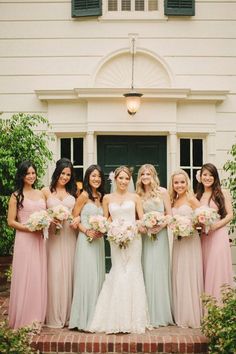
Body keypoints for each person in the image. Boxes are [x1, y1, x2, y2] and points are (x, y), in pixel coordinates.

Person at [89, 166, 150, 334]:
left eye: (126, 179)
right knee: (118, 271)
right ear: (115, 179)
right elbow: (107, 217)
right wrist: (104, 226)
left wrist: (140, 226)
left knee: (132, 271)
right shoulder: (107, 198)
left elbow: (141, 218)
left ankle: (133, 319)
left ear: (130, 180)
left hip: (133, 239)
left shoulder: (135, 197)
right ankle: (115, 317)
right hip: (115, 239)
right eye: (120, 178)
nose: (123, 181)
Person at [7, 161, 47, 329]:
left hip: (39, 239)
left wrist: (45, 223)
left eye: (33, 173)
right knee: (25, 275)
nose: (31, 176)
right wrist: (28, 228)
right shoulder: (16, 195)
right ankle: (23, 317)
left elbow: (47, 213)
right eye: (28, 173)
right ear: (22, 175)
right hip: (25, 239)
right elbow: (10, 221)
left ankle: (36, 316)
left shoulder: (41, 193)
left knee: (38, 275)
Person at [69, 165, 106, 331]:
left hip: (98, 242)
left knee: (97, 276)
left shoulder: (102, 196)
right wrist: (86, 231)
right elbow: (74, 216)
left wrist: (101, 229)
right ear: (87, 178)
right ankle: (83, 319)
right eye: (93, 176)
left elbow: (106, 218)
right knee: (87, 277)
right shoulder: (83, 195)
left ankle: (97, 318)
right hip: (85, 241)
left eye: (98, 176)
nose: (96, 179)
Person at [42, 158, 78, 328]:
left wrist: (75, 220)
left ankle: (69, 314)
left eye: (68, 174)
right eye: (63, 173)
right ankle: (54, 313)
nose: (65, 177)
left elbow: (78, 214)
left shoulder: (74, 193)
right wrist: (50, 219)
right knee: (54, 272)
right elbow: (40, 215)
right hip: (54, 237)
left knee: (69, 271)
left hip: (69, 236)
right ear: (57, 172)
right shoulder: (46, 191)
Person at [136, 164, 173, 327]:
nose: (145, 176)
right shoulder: (138, 195)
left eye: (148, 173)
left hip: (161, 236)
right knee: (147, 269)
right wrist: (146, 226)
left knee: (160, 270)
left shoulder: (163, 192)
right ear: (139, 177)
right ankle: (148, 313)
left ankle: (162, 313)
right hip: (146, 237)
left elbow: (169, 214)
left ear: (154, 175)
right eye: (142, 174)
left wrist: (161, 225)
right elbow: (138, 218)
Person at [169, 169, 203, 328]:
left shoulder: (192, 199)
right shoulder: (172, 201)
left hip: (190, 241)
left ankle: (191, 315)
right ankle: (180, 313)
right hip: (178, 241)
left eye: (182, 182)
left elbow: (203, 219)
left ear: (187, 183)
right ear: (172, 184)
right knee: (179, 274)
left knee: (189, 273)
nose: (179, 185)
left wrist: (191, 226)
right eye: (176, 182)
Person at [196, 163, 233, 301]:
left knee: (216, 268)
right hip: (204, 237)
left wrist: (215, 225)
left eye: (211, 175)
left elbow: (230, 215)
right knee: (206, 268)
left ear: (215, 177)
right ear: (200, 177)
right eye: (205, 174)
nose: (208, 177)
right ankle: (207, 306)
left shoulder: (223, 193)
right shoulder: (198, 195)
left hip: (218, 235)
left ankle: (220, 305)